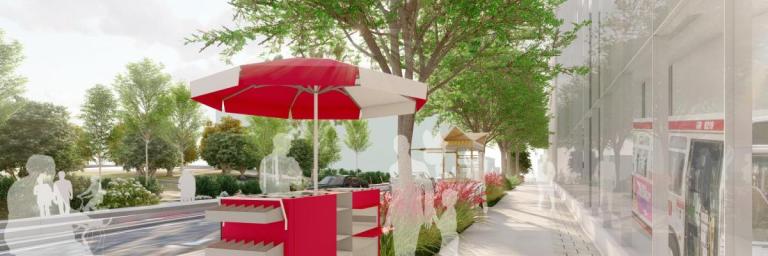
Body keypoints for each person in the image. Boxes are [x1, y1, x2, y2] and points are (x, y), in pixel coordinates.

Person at [435, 188, 459, 256]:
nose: (442, 200)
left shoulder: (449, 212)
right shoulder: (452, 210)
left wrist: (434, 216)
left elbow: (439, 226)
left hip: (448, 239)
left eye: (444, 198)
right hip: (451, 238)